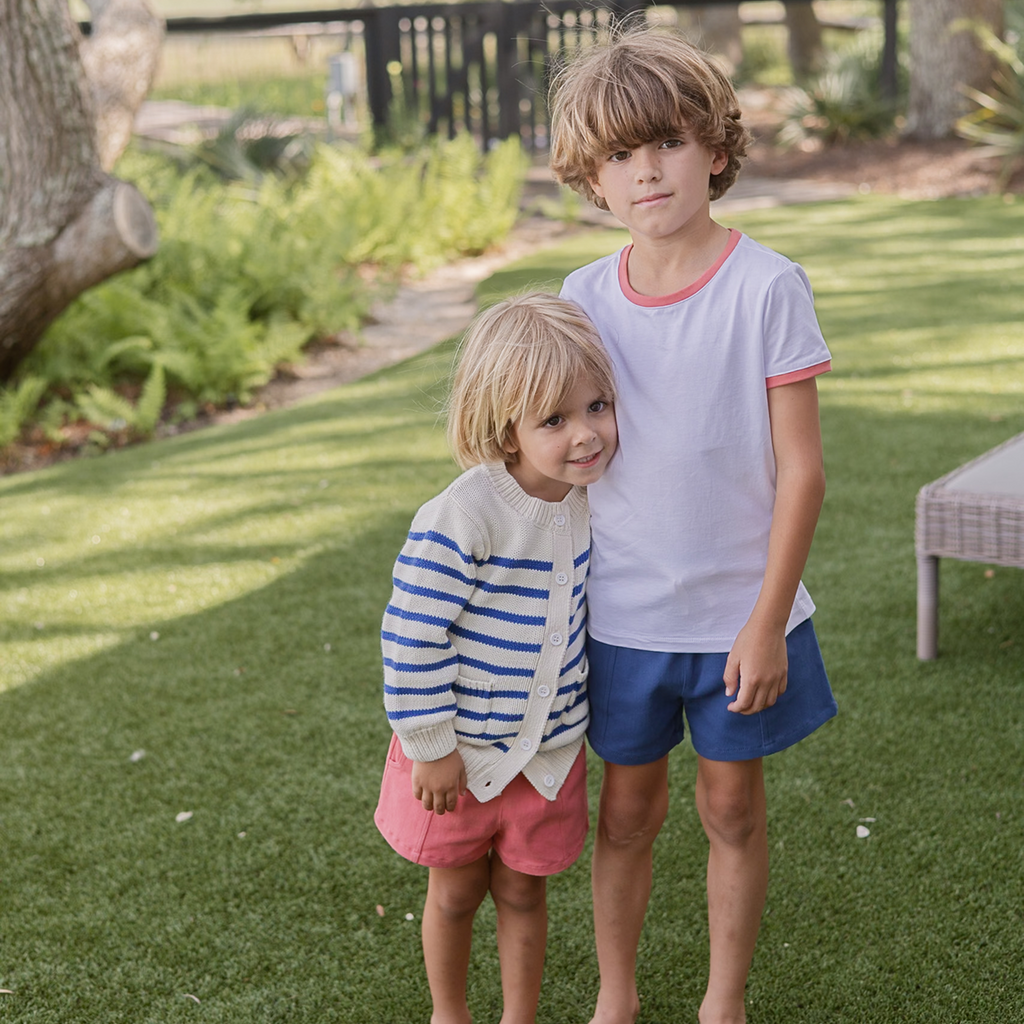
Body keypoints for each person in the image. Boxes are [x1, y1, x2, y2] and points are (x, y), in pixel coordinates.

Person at [548, 26, 838, 1024]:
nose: (645, 172)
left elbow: (802, 472)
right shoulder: (580, 302)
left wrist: (763, 623)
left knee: (729, 808)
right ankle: (615, 997)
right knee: (624, 815)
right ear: (592, 179)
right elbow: (552, 452)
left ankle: (723, 1002)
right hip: (620, 621)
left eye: (666, 143)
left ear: (714, 148)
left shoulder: (767, 286)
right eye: (618, 156)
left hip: (735, 620)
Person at [374, 292, 618, 1024]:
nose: (586, 434)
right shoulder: (465, 513)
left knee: (523, 891)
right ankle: (449, 1014)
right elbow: (413, 634)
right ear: (505, 430)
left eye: (597, 406)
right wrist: (432, 746)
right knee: (454, 893)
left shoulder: (593, 503)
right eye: (554, 420)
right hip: (457, 756)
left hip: (546, 757)